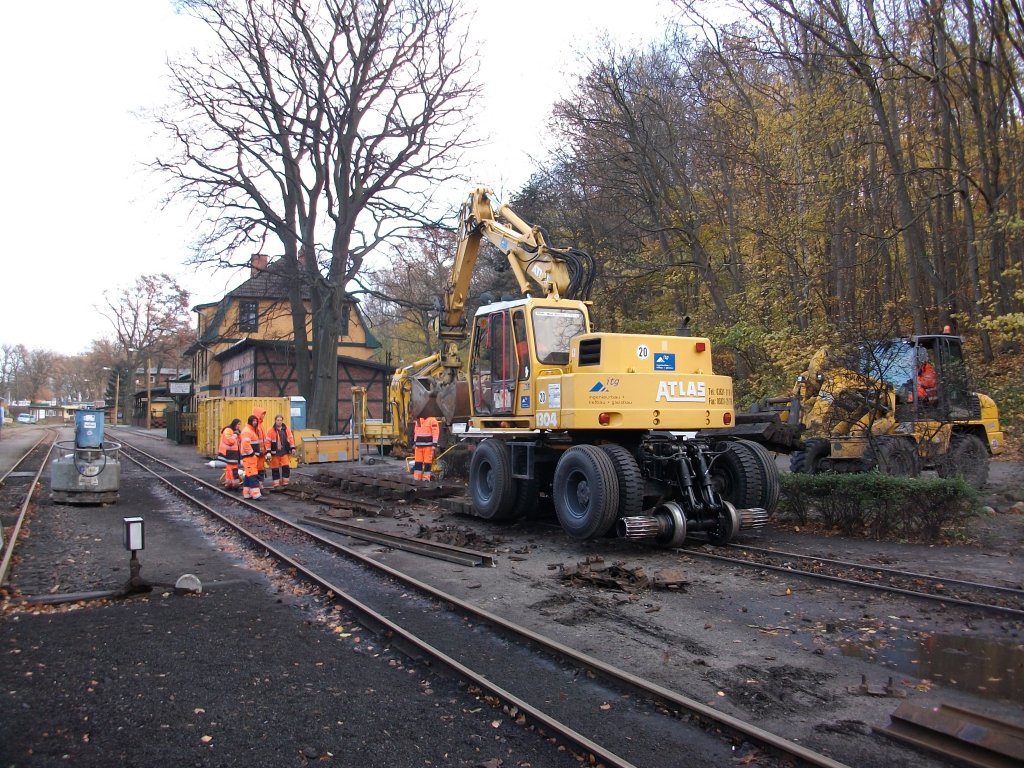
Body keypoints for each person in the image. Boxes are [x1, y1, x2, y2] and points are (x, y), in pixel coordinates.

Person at [267, 414, 296, 489]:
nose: (279, 422)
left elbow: (291, 439)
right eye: (278, 420)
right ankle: (276, 484)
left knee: (286, 467)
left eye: (280, 420)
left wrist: (292, 448)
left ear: (282, 421)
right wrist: (268, 452)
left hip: (284, 452)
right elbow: (268, 442)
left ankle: (285, 482)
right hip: (275, 453)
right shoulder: (271, 430)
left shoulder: (286, 429)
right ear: (275, 421)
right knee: (275, 468)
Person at [239, 415, 264, 500]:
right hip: (249, 457)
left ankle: (247, 493)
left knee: (248, 474)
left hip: (251, 456)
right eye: (253, 421)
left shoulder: (250, 430)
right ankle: (256, 494)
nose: (255, 422)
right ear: (250, 421)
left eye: (256, 421)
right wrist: (252, 454)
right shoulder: (247, 431)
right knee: (252, 474)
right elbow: (246, 445)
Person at [412, 414, 440, 481]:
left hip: (428, 446)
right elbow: (416, 432)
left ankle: (426, 478)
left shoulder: (432, 420)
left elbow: (435, 433)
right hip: (419, 446)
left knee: (427, 462)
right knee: (418, 462)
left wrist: (434, 445)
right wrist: (415, 443)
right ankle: (417, 478)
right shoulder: (418, 420)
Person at [217, 418, 242, 490]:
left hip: (233, 453)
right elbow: (230, 441)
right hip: (230, 453)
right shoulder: (228, 430)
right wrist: (235, 435)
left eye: (240, 424)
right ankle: (235, 483)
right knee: (233, 468)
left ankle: (228, 483)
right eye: (238, 424)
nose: (239, 426)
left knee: (229, 468)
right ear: (234, 424)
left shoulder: (234, 431)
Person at [252, 406, 270, 490]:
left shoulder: (260, 426)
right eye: (262, 414)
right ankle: (258, 485)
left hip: (261, 452)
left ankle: (259, 484)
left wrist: (265, 451)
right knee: (258, 469)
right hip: (257, 453)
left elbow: (263, 439)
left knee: (261, 468)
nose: (263, 416)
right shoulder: (256, 427)